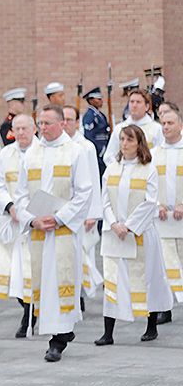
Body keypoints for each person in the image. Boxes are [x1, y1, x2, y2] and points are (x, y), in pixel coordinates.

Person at [12, 105, 94, 362]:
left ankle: (58, 339)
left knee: (60, 282)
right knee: (45, 284)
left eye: (48, 123)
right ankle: (59, 332)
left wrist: (59, 218)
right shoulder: (31, 153)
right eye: (41, 123)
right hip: (39, 230)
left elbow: (84, 191)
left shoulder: (76, 152)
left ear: (61, 124)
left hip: (63, 231)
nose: (43, 128)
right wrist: (32, 220)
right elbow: (21, 194)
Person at [94, 124, 172, 344]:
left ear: (139, 143)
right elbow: (104, 199)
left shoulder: (149, 168)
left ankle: (151, 326)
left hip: (140, 234)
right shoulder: (112, 168)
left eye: (129, 140)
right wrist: (113, 224)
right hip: (115, 234)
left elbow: (149, 202)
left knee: (147, 279)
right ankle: (108, 333)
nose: (124, 144)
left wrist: (128, 226)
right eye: (121, 139)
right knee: (113, 280)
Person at [0, 113, 38, 337]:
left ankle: (30, 315)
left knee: (32, 271)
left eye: (24, 128)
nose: (20, 133)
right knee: (15, 274)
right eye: (16, 129)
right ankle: (28, 309)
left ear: (34, 129)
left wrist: (31, 213)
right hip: (14, 222)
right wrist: (10, 207)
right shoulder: (7, 154)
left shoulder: (42, 152)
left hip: (37, 222)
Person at [63, 106, 104, 305]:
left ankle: (80, 294)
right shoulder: (58, 145)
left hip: (83, 211)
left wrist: (93, 213)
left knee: (83, 252)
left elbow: (93, 182)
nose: (66, 123)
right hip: (62, 210)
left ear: (78, 122)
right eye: (63, 119)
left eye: (70, 119)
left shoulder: (85, 146)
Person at [148, 107, 183, 323]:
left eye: (171, 123)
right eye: (164, 124)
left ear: (180, 125)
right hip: (163, 218)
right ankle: (166, 307)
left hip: (182, 215)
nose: (166, 127)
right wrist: (157, 205)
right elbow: (148, 183)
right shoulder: (154, 153)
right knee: (165, 262)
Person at [104, 89, 163, 168]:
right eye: (132, 102)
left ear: (147, 106)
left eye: (138, 102)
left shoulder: (156, 129)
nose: (134, 105)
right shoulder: (119, 129)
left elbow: (160, 155)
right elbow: (109, 156)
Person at [82, 86, 110, 175]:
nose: (101, 101)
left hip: (103, 150)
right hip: (98, 152)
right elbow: (89, 135)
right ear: (91, 101)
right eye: (98, 99)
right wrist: (98, 150)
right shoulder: (90, 116)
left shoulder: (100, 114)